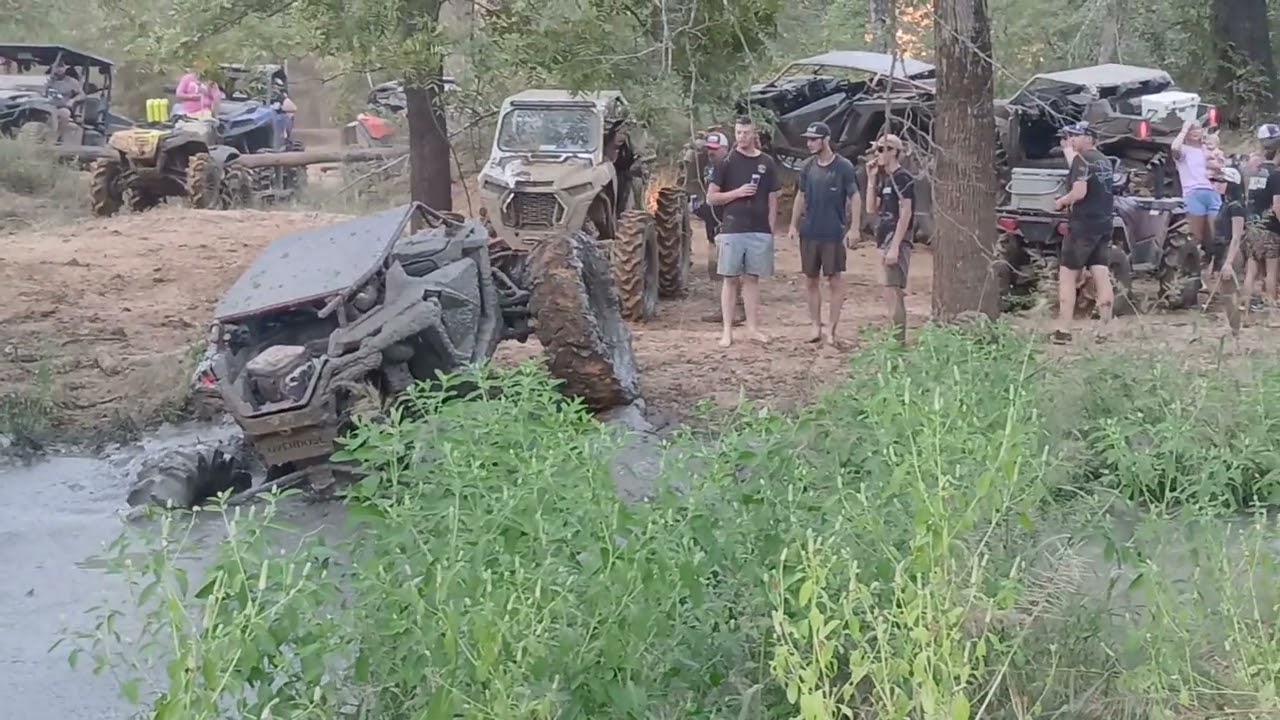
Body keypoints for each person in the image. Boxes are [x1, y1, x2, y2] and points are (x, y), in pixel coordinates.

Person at [706, 116, 781, 347]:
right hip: (733, 226)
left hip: (759, 228)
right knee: (730, 278)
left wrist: (770, 229)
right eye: (738, 132)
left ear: (754, 133)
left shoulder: (767, 162)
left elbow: (772, 198)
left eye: (746, 133)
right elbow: (712, 197)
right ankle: (727, 331)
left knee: (752, 279)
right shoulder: (726, 162)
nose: (742, 137)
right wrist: (737, 193)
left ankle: (753, 328)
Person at [787, 121, 859, 346]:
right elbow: (800, 195)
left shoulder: (843, 166)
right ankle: (815, 325)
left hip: (833, 232)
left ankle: (832, 329)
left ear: (826, 139)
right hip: (810, 231)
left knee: (834, 280)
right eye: (808, 139)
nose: (809, 143)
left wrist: (854, 227)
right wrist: (793, 224)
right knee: (810, 279)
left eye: (814, 139)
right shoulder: (807, 166)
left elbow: (855, 196)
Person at [1050, 122, 1115, 344]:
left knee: (1068, 276)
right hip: (1104, 223)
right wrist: (1069, 150)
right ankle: (1104, 330)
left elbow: (1079, 192)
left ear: (1089, 138)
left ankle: (1063, 330)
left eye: (1076, 136)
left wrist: (1061, 201)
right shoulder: (1105, 161)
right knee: (1101, 274)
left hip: (1082, 226)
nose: (1072, 140)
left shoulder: (1082, 160)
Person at [865, 134, 914, 343]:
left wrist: (895, 246)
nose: (877, 154)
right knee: (888, 290)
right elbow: (870, 208)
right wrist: (871, 178)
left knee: (894, 290)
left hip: (896, 239)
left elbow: (906, 212)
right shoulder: (885, 178)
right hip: (883, 237)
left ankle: (898, 341)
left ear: (894, 151)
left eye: (881, 149)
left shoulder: (903, 177)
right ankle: (894, 336)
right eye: (876, 150)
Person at [693, 132, 744, 326]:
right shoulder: (708, 168)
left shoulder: (733, 167)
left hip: (728, 224)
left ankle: (737, 309)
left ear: (725, 148)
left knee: (731, 269)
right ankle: (722, 308)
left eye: (714, 150)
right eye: (709, 149)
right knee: (715, 269)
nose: (710, 153)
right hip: (711, 224)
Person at [1243, 124, 1280, 309]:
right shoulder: (1276, 175)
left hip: (1253, 225)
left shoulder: (1254, 172)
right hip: (1270, 228)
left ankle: (1246, 306)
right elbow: (1277, 205)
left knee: (1251, 270)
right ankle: (1272, 307)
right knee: (1271, 271)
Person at [1171, 120, 1219, 260]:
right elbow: (1174, 148)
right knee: (1195, 237)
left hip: (1212, 192)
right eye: (1191, 129)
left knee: (1218, 234)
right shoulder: (1184, 150)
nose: (1195, 131)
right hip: (1193, 193)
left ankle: (1216, 267)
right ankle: (1195, 269)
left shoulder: (1206, 149)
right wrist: (1184, 129)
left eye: (1197, 128)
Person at [1209, 167, 1245, 334]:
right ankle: (1234, 329)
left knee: (1230, 295)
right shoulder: (1225, 204)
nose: (1217, 184)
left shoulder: (1236, 207)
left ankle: (1236, 331)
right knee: (1226, 295)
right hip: (1223, 250)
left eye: (1222, 182)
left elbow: (1236, 236)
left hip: (1231, 251)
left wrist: (1229, 262)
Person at [46, 59, 84, 144]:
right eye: (56, 66)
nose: (59, 69)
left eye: (61, 66)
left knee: (63, 114)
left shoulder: (72, 81)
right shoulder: (48, 80)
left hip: (62, 106)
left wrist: (72, 100)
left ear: (65, 68)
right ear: (52, 67)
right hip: (45, 106)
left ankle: (57, 138)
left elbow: (82, 95)